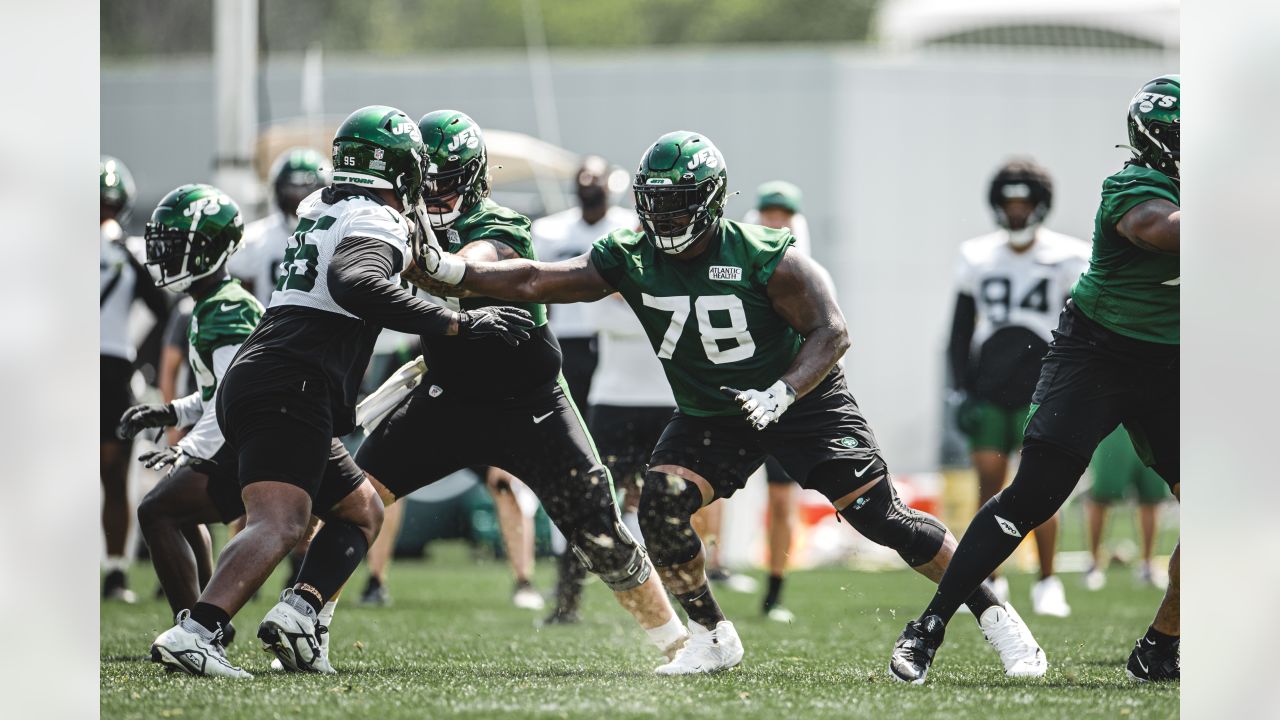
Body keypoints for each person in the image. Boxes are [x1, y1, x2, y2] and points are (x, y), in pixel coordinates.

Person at [412, 130, 1047, 677]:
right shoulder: (631, 256)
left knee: (883, 520)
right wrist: (451, 273)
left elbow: (833, 332)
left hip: (805, 404)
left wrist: (784, 390)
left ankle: (995, 614)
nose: (662, 218)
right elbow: (532, 279)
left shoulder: (767, 255)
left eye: (677, 203)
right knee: (661, 507)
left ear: (710, 202)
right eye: (654, 203)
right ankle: (714, 638)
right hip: (713, 412)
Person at [148, 105, 535, 679]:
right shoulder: (374, 219)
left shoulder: (324, 209)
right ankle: (199, 629)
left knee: (360, 510)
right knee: (280, 521)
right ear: (402, 168)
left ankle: (299, 617)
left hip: (273, 374)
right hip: (293, 380)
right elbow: (355, 281)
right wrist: (455, 322)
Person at [350, 110, 687, 664]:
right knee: (356, 495)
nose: (435, 191)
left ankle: (676, 634)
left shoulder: (580, 230)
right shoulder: (413, 224)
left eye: (447, 177)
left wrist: (430, 265)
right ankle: (307, 609)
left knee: (600, 514)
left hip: (537, 378)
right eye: (425, 180)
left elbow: (502, 270)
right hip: (453, 381)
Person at [889, 75, 1181, 684]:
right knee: (1034, 494)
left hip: (1172, 363)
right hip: (1096, 355)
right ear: (1161, 142)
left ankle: (1161, 644)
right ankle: (928, 627)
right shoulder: (1132, 186)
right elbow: (1166, 230)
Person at [948, 158, 1088, 617]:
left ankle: (1048, 580)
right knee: (989, 483)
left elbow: (1083, 327)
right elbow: (961, 329)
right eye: (1008, 203)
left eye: (1024, 202)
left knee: (1042, 487)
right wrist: (959, 388)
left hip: (1045, 383)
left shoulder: (1070, 255)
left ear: (1040, 204)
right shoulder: (977, 254)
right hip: (991, 384)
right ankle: (992, 578)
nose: (1015, 211)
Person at [533, 155, 646, 623]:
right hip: (571, 356)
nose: (590, 187)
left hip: (632, 371)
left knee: (649, 492)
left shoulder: (632, 231)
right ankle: (567, 597)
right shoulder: (551, 231)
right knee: (583, 477)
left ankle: (659, 597)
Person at [100, 155, 169, 602]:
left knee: (114, 472)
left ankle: (116, 569)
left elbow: (162, 309)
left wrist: (144, 363)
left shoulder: (129, 251)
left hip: (112, 367)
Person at [227, 147, 329, 304]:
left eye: (308, 191)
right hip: (270, 325)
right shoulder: (254, 239)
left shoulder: (337, 236)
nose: (300, 198)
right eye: (292, 191)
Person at [1084, 427, 1171, 590]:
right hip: (1117, 427)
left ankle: (1147, 565)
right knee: (1101, 496)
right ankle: (1093, 565)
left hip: (1149, 425)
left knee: (1151, 498)